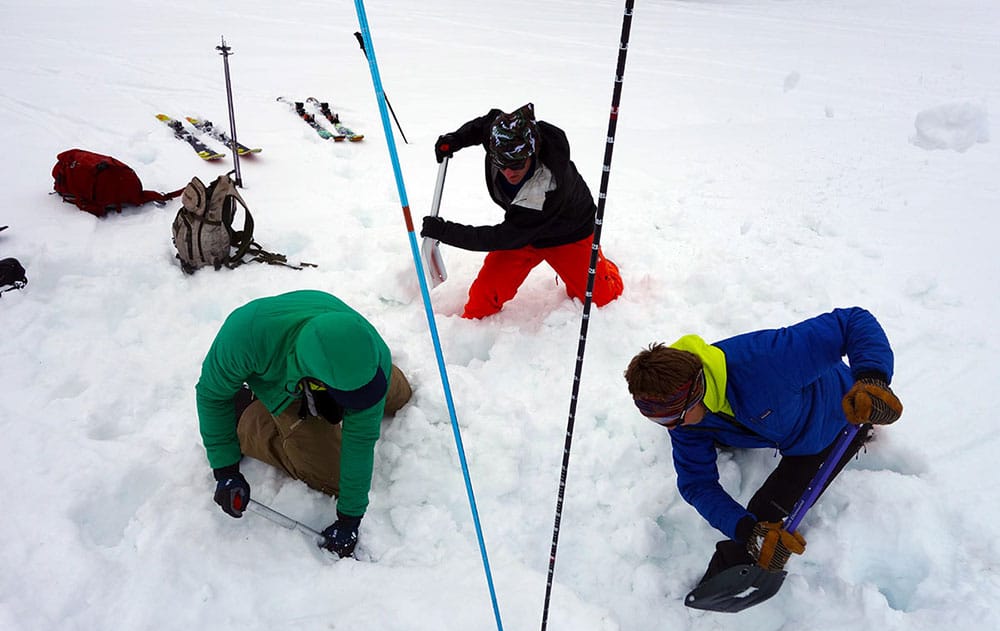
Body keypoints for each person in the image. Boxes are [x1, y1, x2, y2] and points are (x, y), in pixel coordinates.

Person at [623, 307, 903, 581]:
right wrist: (746, 530)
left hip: (836, 418)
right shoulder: (687, 418)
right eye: (660, 422)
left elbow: (851, 321)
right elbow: (696, 484)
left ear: (696, 393)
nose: (671, 428)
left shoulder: (768, 360)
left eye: (674, 418)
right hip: (769, 422)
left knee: (767, 514)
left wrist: (873, 378)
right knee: (758, 533)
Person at [196, 290, 412, 558]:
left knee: (402, 396)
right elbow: (211, 395)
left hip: (344, 363)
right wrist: (225, 470)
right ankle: (246, 413)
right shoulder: (244, 337)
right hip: (280, 377)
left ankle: (356, 385)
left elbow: (361, 439)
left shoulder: (374, 351)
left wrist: (350, 519)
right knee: (332, 476)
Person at [422, 103, 623, 319]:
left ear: (532, 153)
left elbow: (498, 237)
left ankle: (602, 265)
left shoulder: (544, 188)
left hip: (569, 234)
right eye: (501, 163)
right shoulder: (504, 134)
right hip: (522, 233)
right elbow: (484, 124)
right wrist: (456, 139)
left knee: (601, 298)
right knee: (481, 302)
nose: (509, 172)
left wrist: (443, 231)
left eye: (517, 164)